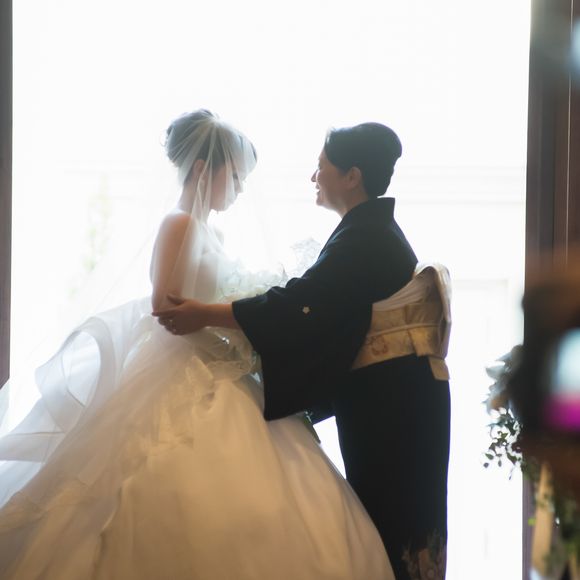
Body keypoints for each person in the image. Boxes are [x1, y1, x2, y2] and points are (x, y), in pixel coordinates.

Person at [0, 110, 394, 579]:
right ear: (205, 169)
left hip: (217, 360)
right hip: (180, 364)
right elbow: (165, 305)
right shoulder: (179, 224)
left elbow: (207, 303)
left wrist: (242, 322)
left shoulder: (210, 232)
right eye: (236, 175)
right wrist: (231, 323)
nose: (241, 188)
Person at [155, 121, 452, 580]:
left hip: (394, 406)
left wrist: (210, 316)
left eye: (321, 167)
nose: (314, 177)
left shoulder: (365, 236)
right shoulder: (366, 230)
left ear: (351, 177)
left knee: (398, 534)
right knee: (392, 532)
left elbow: (301, 305)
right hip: (391, 398)